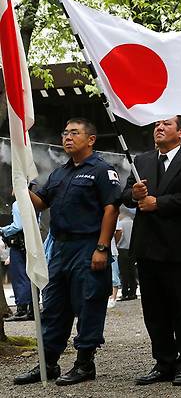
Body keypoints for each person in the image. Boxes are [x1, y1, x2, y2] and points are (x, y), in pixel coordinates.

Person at [14, 118, 121, 386]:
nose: (67, 137)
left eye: (74, 133)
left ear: (91, 139)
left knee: (89, 303)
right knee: (54, 306)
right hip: (60, 248)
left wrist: (102, 247)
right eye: (65, 133)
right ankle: (48, 363)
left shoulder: (101, 171)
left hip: (88, 245)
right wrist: (22, 186)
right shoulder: (59, 174)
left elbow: (111, 208)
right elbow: (41, 202)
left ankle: (85, 364)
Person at [123, 116, 181, 386]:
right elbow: (125, 195)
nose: (159, 128)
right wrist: (134, 195)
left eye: (166, 124)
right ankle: (163, 362)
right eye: (156, 124)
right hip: (147, 246)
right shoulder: (142, 161)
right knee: (154, 310)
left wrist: (158, 203)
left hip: (179, 247)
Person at [1, 186, 36, 322]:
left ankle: (22, 309)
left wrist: (3, 230)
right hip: (31, 243)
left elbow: (18, 226)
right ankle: (32, 308)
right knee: (30, 275)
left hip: (19, 243)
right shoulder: (34, 201)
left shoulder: (17, 203)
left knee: (19, 275)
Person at [115, 209, 137, 301]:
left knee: (124, 272)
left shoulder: (122, 223)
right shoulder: (133, 223)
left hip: (122, 249)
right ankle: (133, 291)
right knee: (132, 270)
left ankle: (125, 292)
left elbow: (119, 234)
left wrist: (117, 244)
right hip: (132, 249)